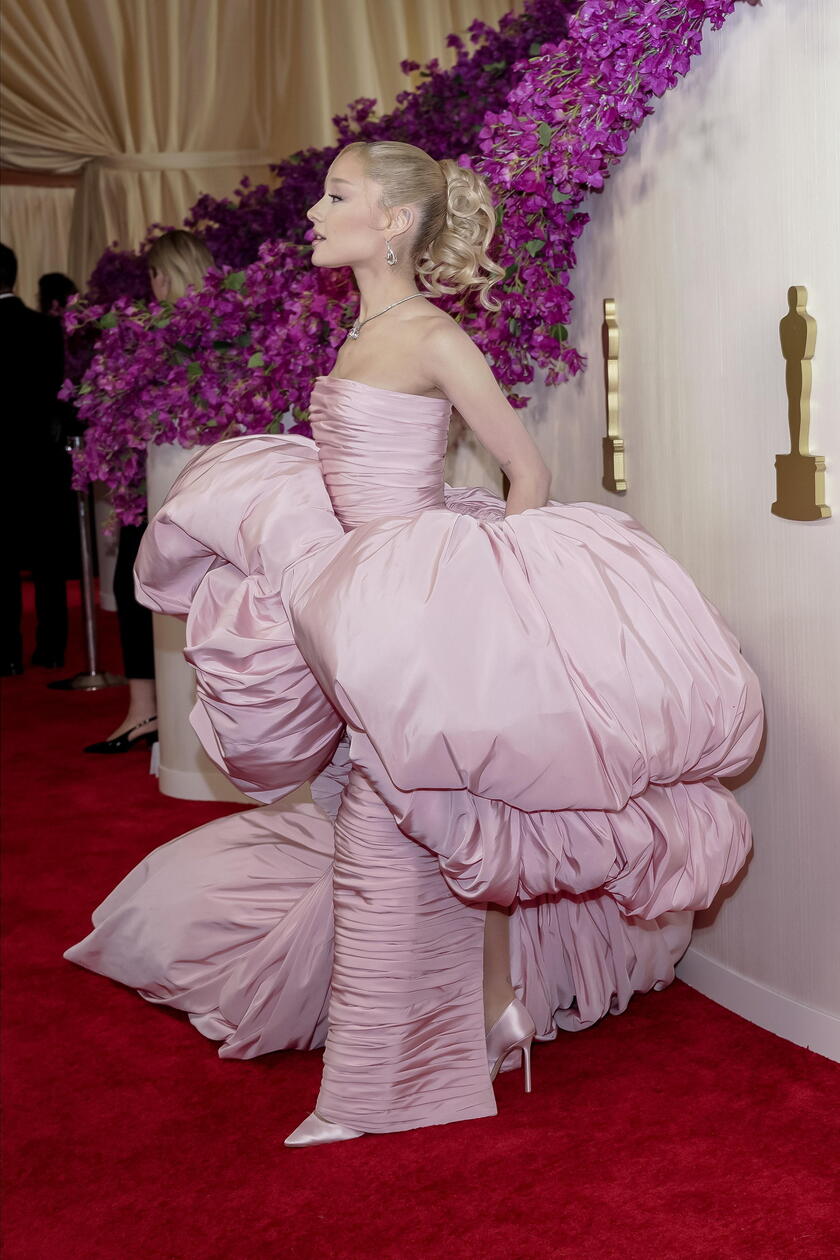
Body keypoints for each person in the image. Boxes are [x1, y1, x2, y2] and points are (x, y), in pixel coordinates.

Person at [65, 142, 763, 1145]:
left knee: (395, 839)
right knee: (433, 833)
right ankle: (485, 1020)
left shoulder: (432, 335)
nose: (314, 212)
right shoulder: (366, 331)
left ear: (392, 223)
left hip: (409, 612)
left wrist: (496, 599)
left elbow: (528, 471)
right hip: (365, 616)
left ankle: (383, 1088)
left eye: (336, 196)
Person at [84, 230, 213, 753]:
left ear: (165, 275)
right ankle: (158, 713)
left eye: (154, 276)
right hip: (204, 486)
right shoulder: (226, 329)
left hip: (167, 483)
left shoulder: (159, 334)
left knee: (140, 585)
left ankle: (145, 712)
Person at [1, 243, 68, 674]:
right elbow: (59, 394)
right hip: (41, 457)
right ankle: (51, 648)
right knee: (48, 561)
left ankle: (6, 654)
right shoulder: (46, 328)